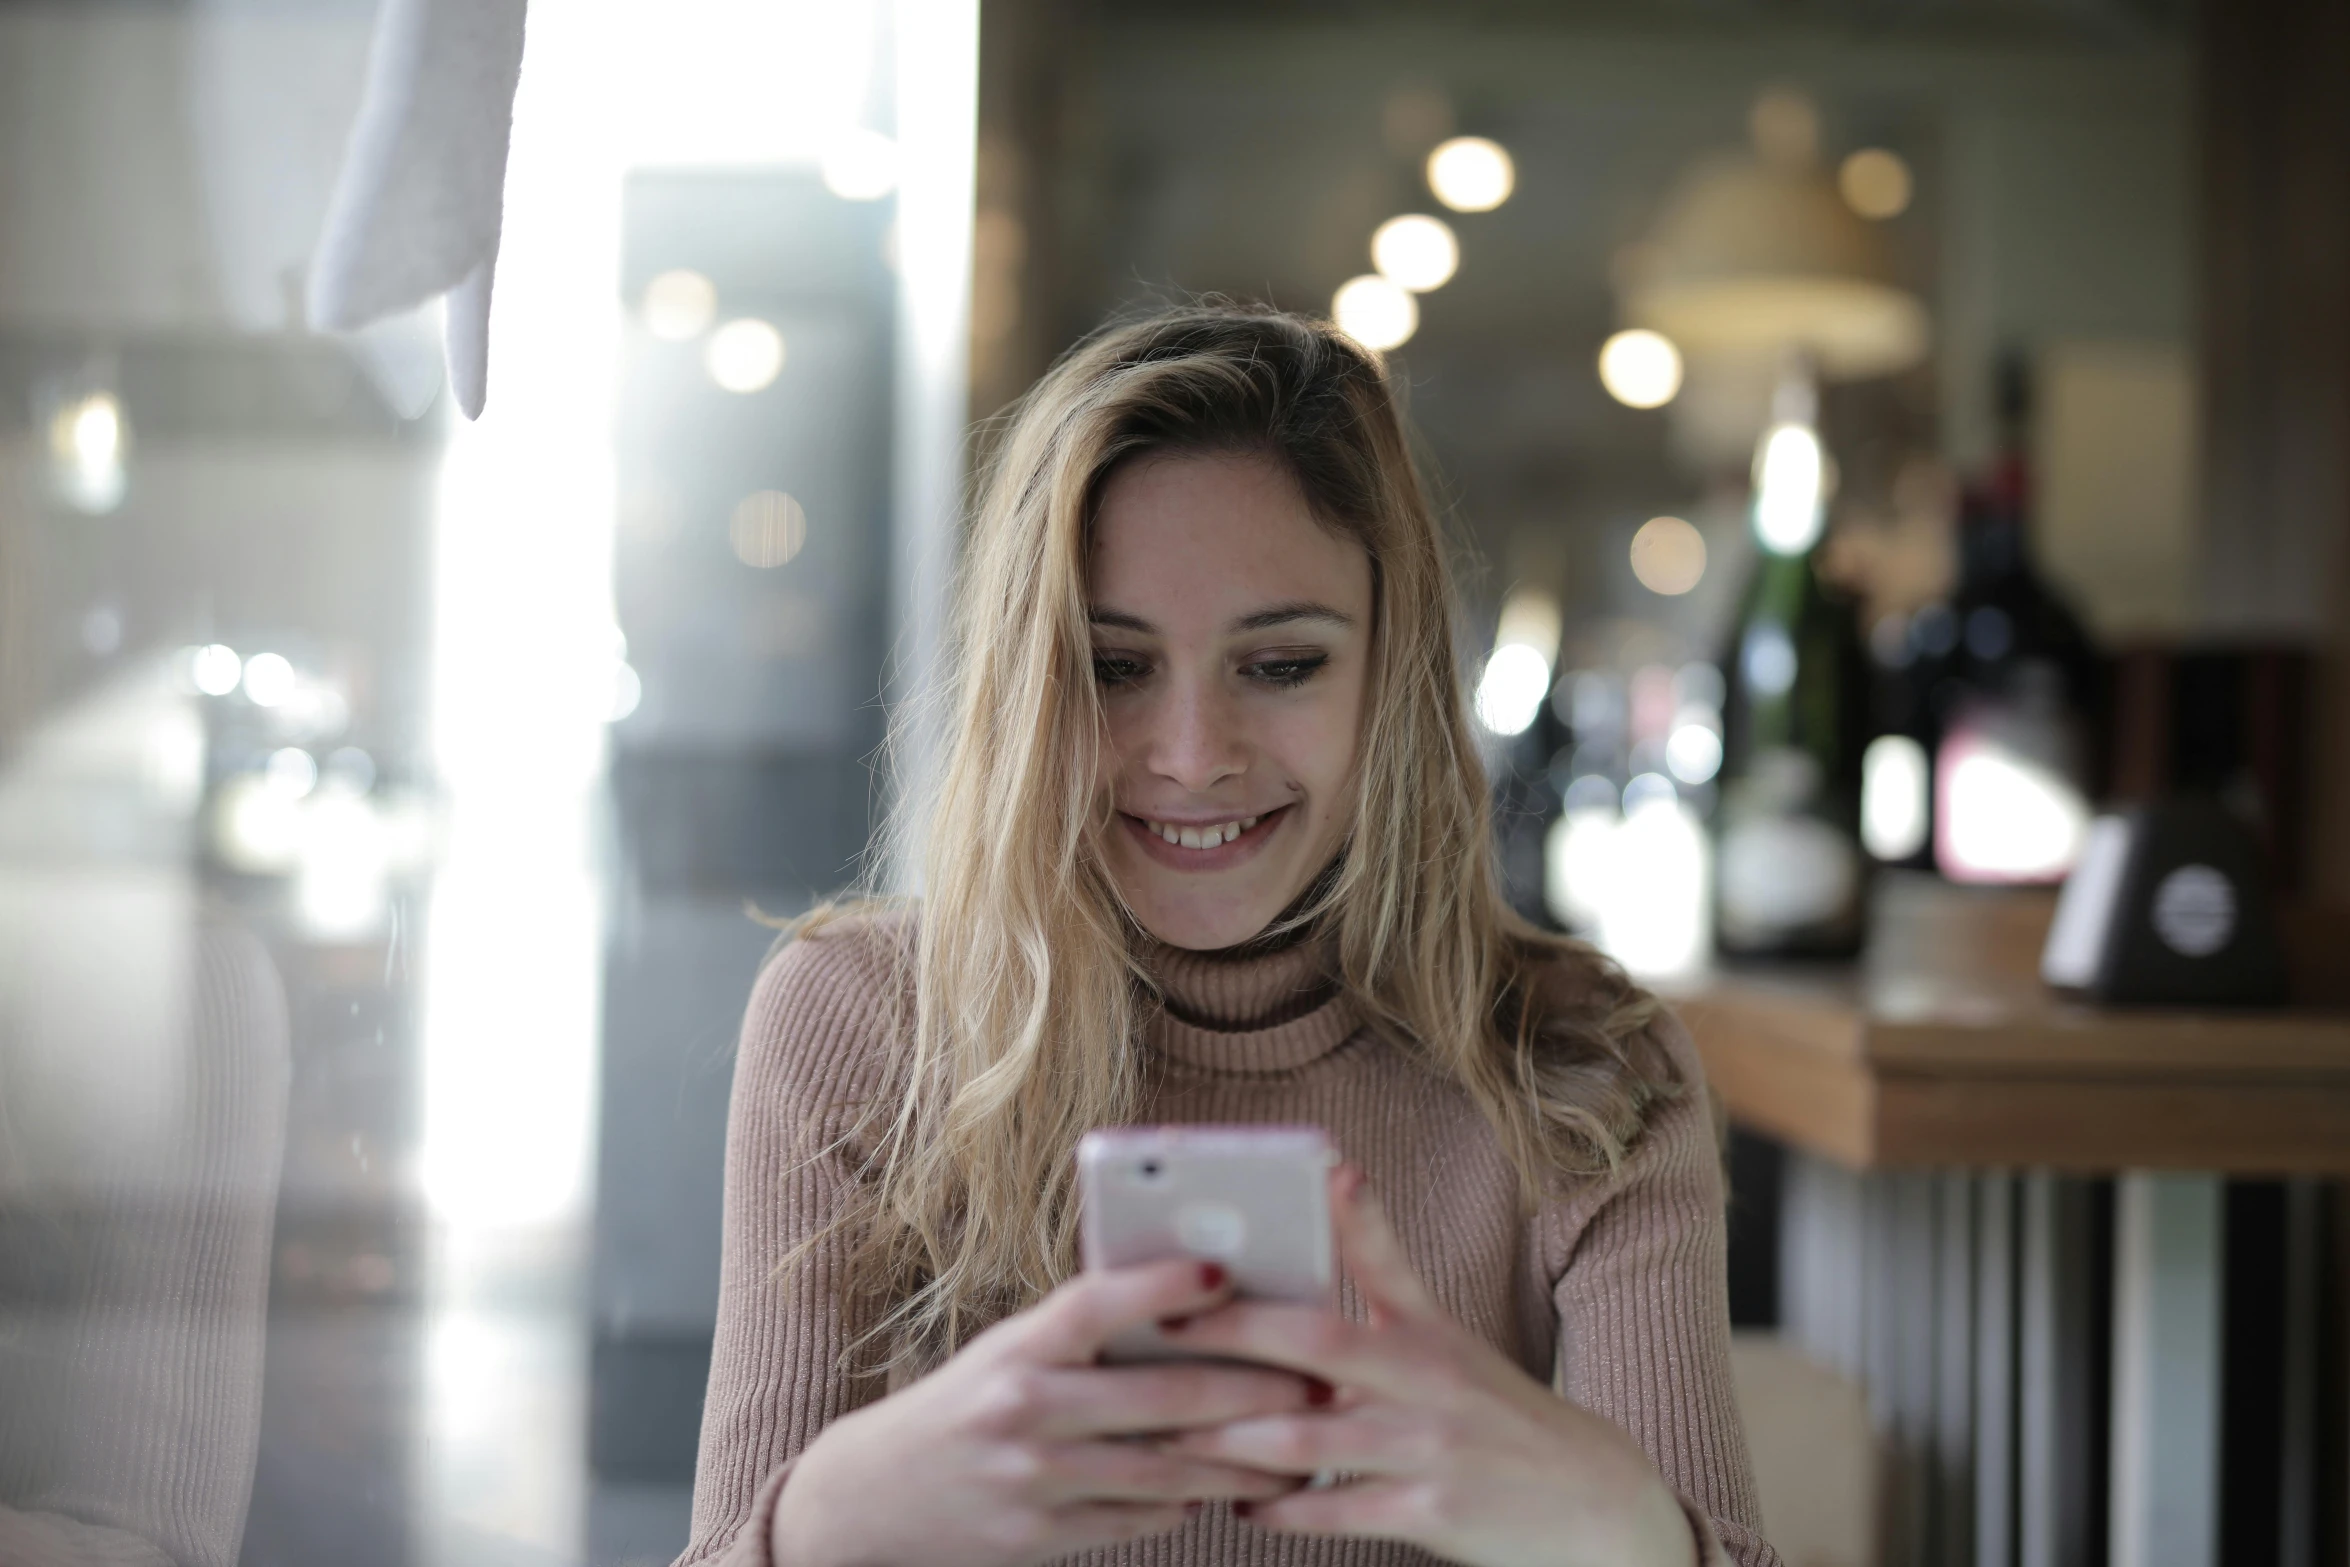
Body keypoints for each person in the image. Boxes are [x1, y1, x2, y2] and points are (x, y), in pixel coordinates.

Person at [678, 304, 1778, 1567]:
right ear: (1024, 687)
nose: (1194, 758)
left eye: (1279, 665)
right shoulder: (862, 1024)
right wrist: (832, 1522)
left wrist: (1619, 1534)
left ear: (1392, 672)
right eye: (1112, 667)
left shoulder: (1585, 1064)